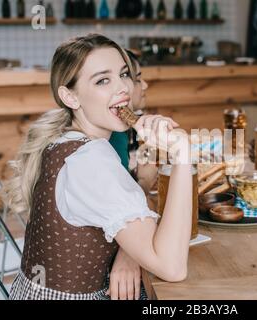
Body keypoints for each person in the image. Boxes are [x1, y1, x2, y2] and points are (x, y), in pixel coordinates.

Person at [4, 34, 192, 300]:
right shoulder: (91, 161)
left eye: (124, 74)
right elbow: (172, 267)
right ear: (70, 97)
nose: (123, 89)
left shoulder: (66, 140)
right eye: (103, 80)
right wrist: (183, 154)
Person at [105, 50, 159, 300]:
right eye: (137, 77)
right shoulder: (109, 135)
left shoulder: (118, 131)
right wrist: (129, 254)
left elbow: (123, 199)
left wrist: (142, 184)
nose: (144, 84)